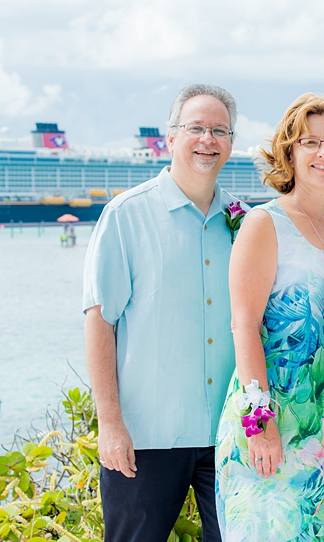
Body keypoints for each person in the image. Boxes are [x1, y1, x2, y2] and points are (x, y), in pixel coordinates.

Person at [83, 84, 240, 542]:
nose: (207, 140)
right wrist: (109, 423)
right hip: (145, 436)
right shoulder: (125, 215)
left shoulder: (245, 221)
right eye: (196, 128)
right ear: (171, 138)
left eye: (219, 130)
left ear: (230, 142)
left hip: (229, 438)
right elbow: (99, 321)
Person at [215, 94, 324, 540]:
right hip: (274, 419)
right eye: (310, 142)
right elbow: (243, 325)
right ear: (289, 152)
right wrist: (259, 425)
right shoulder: (265, 223)